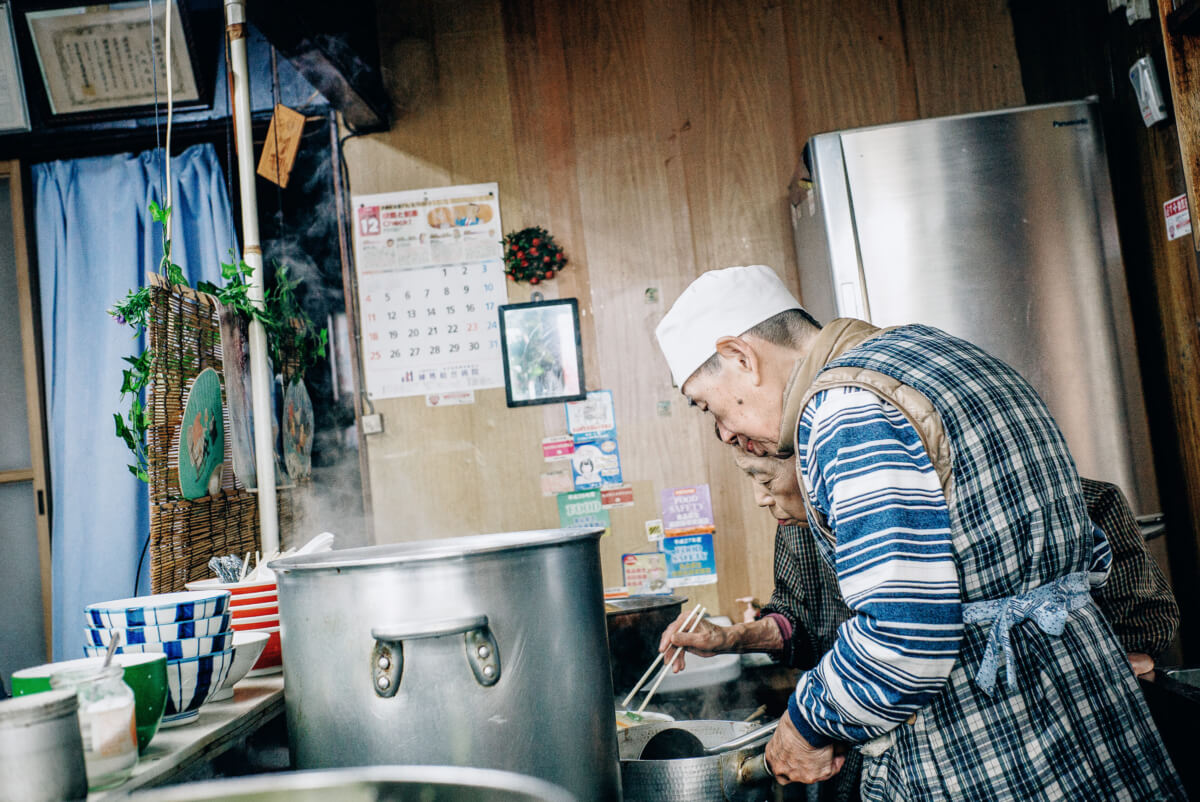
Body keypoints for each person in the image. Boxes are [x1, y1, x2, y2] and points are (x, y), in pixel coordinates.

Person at [653, 264, 1182, 799]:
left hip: (994, 743)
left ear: (741, 356)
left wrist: (805, 722)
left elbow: (905, 638)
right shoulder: (939, 353)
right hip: (1092, 705)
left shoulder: (845, 408)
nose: (723, 430)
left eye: (706, 405)